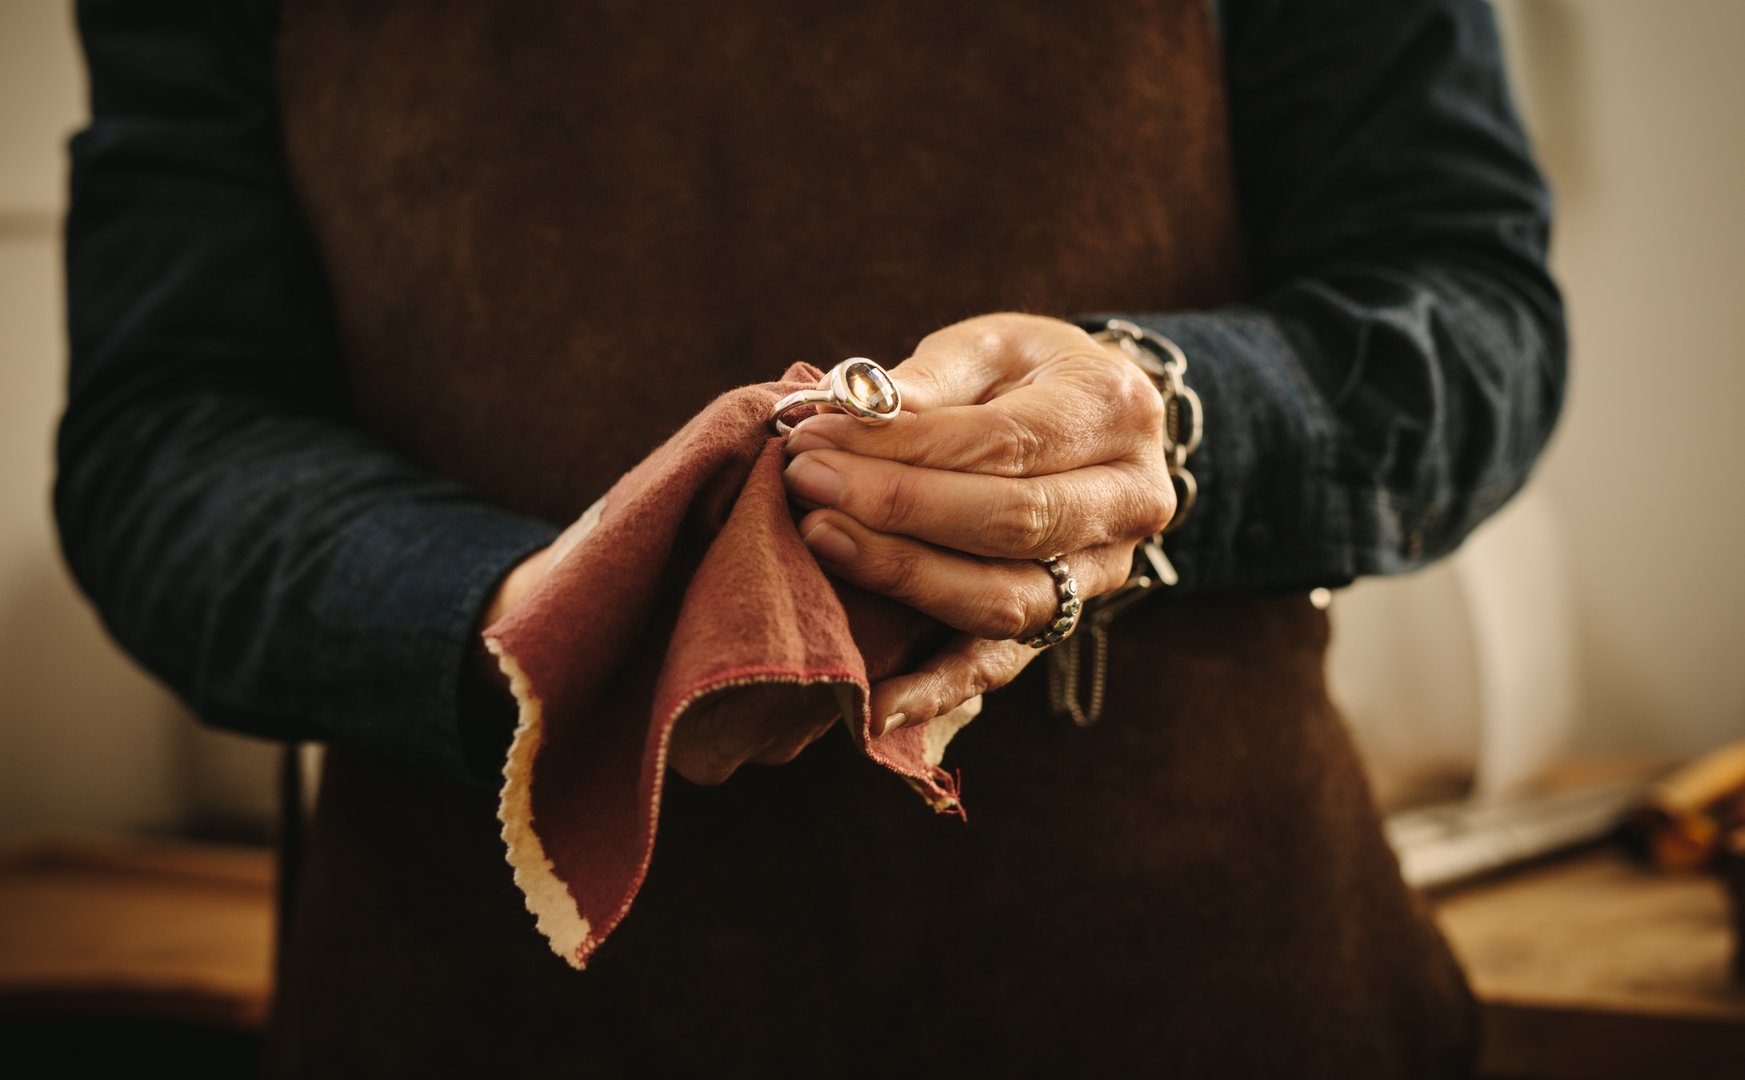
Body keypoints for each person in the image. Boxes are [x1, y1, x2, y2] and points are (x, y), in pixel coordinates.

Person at [57, 0, 1564, 1074]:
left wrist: (1165, 418)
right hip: (474, 1006)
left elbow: (1471, 315)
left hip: (1196, 984)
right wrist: (531, 626)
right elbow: (164, 435)